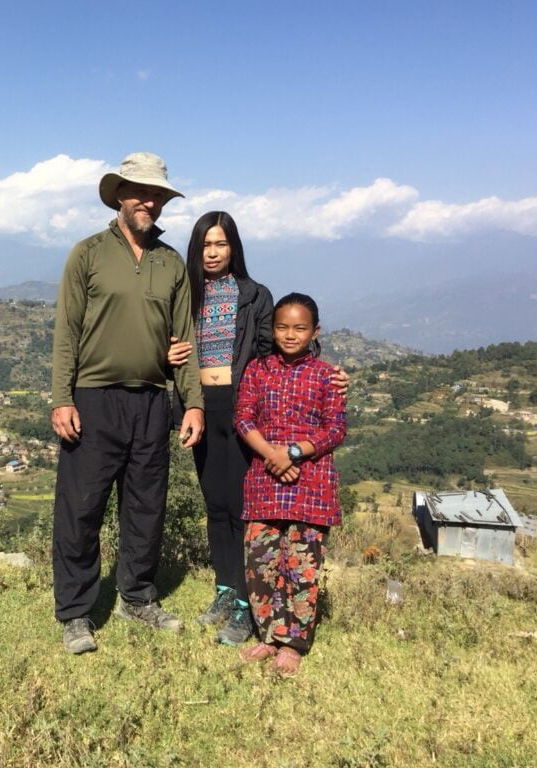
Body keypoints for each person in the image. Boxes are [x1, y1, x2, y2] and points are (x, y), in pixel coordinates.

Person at [167, 212, 348, 647]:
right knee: (215, 504)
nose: (213, 252)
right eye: (206, 244)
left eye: (221, 244)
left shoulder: (254, 295)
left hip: (243, 406)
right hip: (199, 404)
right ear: (196, 248)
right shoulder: (183, 293)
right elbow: (165, 341)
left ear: (234, 248)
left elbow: (277, 355)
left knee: (242, 504)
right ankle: (225, 591)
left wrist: (334, 378)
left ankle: (249, 603)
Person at [51, 152, 205, 655]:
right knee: (81, 509)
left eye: (158, 194)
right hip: (93, 400)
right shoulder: (89, 254)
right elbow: (66, 332)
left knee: (146, 508)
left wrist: (193, 404)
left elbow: (185, 342)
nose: (150, 201)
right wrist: (61, 399)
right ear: (119, 195)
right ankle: (76, 611)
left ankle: (136, 596)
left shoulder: (171, 263)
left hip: (153, 402)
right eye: (141, 192)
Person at [233, 292, 346, 677]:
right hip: (265, 478)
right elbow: (244, 418)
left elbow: (336, 428)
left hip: (310, 482)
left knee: (301, 565)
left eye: (300, 328)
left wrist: (293, 452)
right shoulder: (257, 370)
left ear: (315, 331)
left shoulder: (327, 375)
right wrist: (272, 455)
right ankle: (268, 635)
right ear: (272, 329)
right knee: (261, 561)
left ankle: (294, 642)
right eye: (282, 327)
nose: (290, 335)